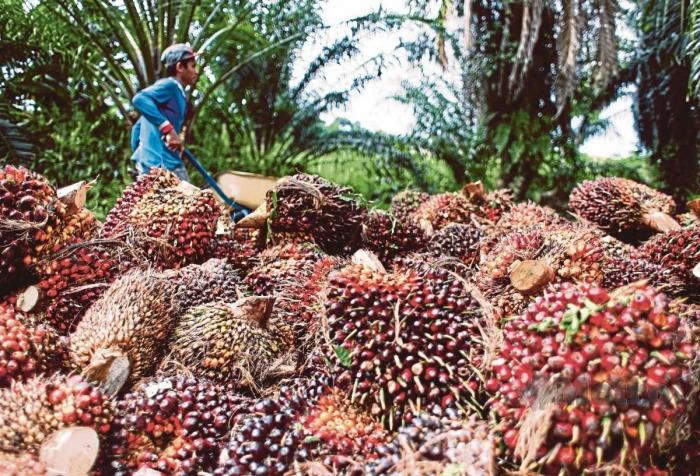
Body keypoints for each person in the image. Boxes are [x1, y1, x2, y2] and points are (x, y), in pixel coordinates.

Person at [130, 44, 200, 181]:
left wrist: (140, 156)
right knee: (189, 200)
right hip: (163, 165)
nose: (196, 71)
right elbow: (139, 98)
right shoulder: (170, 86)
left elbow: (137, 128)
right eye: (192, 66)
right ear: (180, 67)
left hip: (156, 163)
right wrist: (169, 130)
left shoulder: (178, 93)